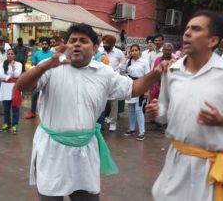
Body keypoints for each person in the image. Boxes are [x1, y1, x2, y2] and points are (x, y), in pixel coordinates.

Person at [16, 23, 167, 201]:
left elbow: (133, 88)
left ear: (95, 48)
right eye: (73, 40)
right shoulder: (50, 66)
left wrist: (155, 73)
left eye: (83, 41)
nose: (77, 44)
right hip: (52, 150)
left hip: (85, 151)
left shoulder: (105, 73)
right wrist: (44, 66)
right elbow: (22, 86)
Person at [146, 10, 223, 201]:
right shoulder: (172, 70)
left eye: (195, 29)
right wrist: (156, 112)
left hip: (211, 167)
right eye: (187, 28)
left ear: (213, 41)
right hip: (176, 159)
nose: (187, 33)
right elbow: (164, 113)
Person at [120, 44, 150, 141]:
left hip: (141, 86)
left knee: (139, 110)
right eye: (132, 50)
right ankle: (131, 129)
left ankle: (142, 132)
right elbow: (121, 70)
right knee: (131, 110)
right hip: (130, 86)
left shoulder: (144, 62)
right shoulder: (129, 62)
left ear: (139, 51)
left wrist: (146, 90)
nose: (134, 52)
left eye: (136, 50)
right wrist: (126, 57)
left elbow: (147, 76)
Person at [24, 38, 54, 119]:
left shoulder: (52, 54)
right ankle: (32, 112)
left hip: (50, 78)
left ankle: (48, 114)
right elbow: (33, 65)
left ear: (49, 45)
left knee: (49, 96)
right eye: (43, 44)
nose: (44, 45)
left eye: (46, 44)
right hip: (38, 77)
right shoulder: (37, 54)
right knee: (34, 96)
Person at [102, 34, 125, 132]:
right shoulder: (100, 51)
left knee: (113, 103)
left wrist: (119, 68)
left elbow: (123, 62)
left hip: (114, 80)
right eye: (103, 42)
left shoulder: (118, 52)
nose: (104, 44)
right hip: (102, 80)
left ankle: (113, 123)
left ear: (112, 44)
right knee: (101, 101)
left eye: (107, 43)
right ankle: (101, 122)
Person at [0, 49, 22, 133]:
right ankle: (6, 123)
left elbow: (17, 74)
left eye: (12, 54)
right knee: (6, 108)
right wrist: (9, 77)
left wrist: (13, 67)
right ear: (7, 55)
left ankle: (14, 125)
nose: (10, 55)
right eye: (9, 54)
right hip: (5, 87)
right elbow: (1, 75)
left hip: (15, 88)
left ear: (14, 55)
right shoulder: (2, 64)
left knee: (15, 107)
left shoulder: (19, 64)